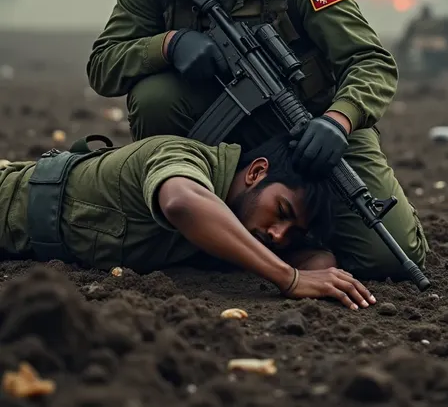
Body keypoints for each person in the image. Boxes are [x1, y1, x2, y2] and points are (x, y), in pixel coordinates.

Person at [87, 0, 428, 279]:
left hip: (311, 125)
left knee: (389, 256)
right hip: (219, 128)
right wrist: (169, 45)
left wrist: (339, 121)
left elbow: (371, 62)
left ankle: (281, 242)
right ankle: (192, 226)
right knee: (155, 96)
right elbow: (103, 64)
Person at [0, 133, 376, 311]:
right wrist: (289, 278)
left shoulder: (244, 232)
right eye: (281, 212)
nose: (278, 235)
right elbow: (181, 202)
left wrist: (311, 266)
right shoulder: (183, 156)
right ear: (256, 172)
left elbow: (318, 263)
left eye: (291, 233)